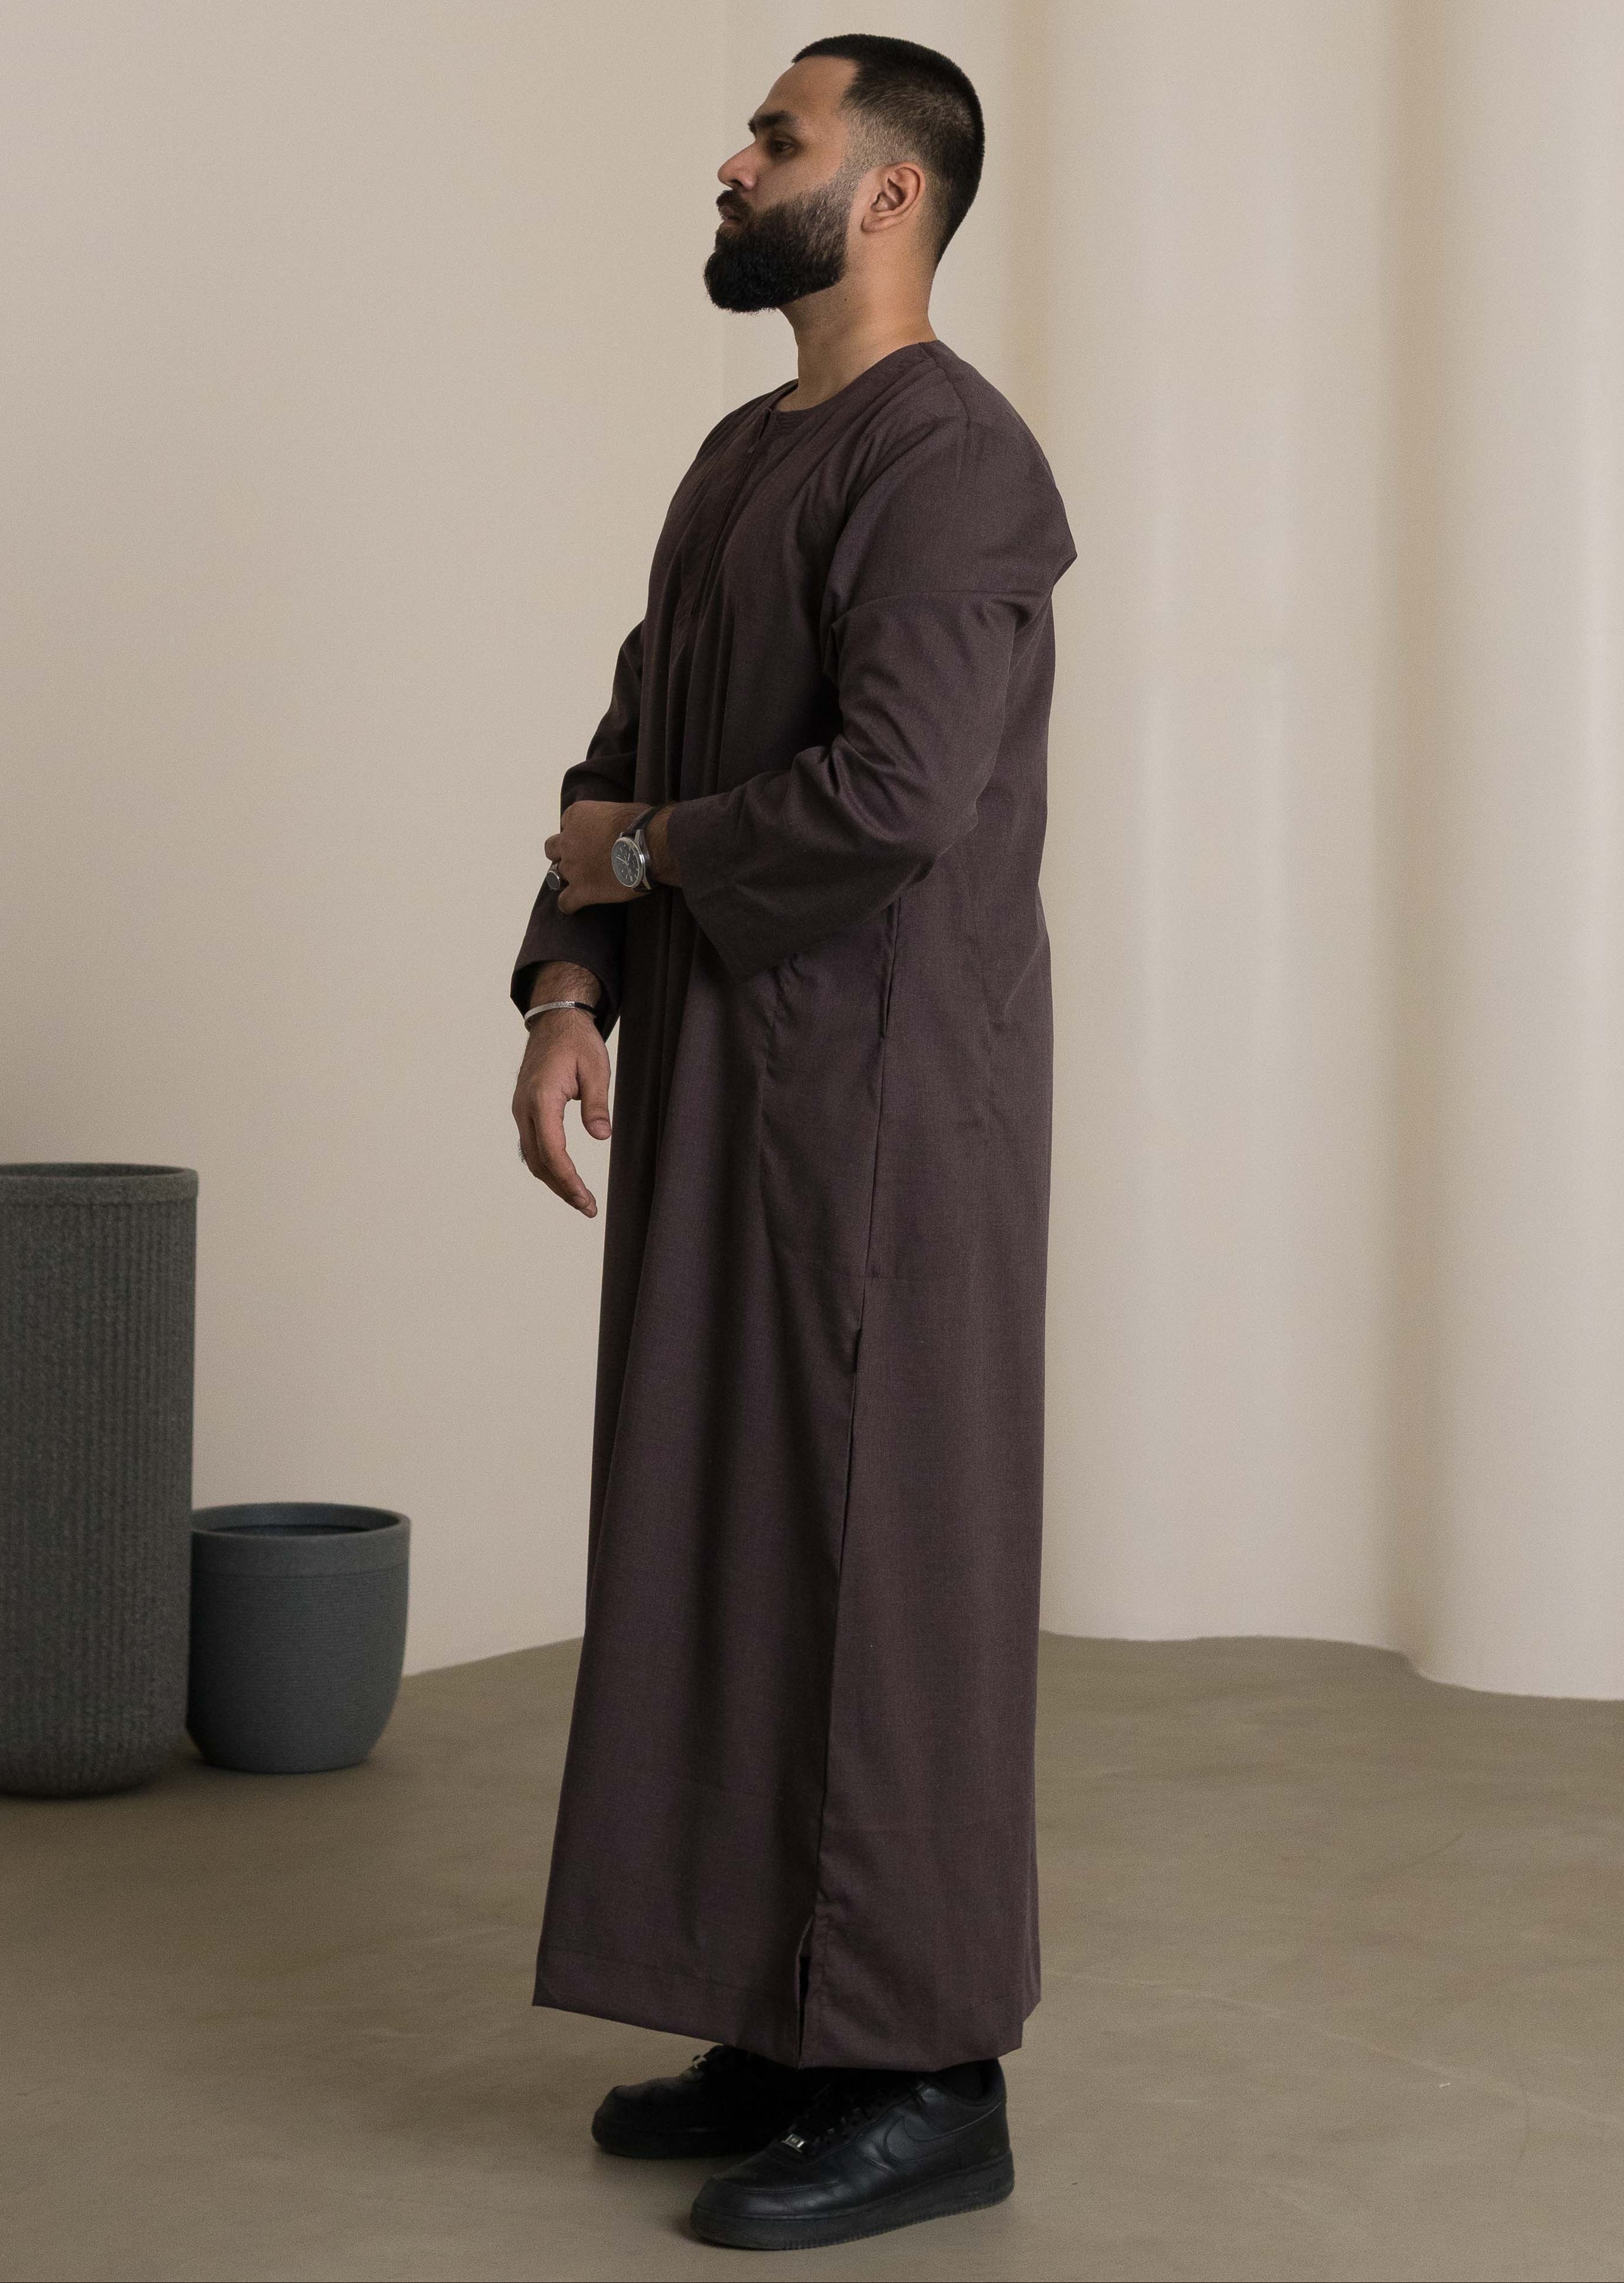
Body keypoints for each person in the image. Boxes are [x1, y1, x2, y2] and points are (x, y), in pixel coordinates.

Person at [509, 31, 1075, 2253]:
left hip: (887, 1115)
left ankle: (929, 2072)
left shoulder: (952, 460)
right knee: (720, 1541)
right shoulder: (746, 454)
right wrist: (570, 984)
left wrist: (643, 857)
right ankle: (782, 2014)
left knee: (881, 1562)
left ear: (891, 195)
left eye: (779, 136)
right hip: (726, 1092)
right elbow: (627, 737)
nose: (734, 163)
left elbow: (897, 796)